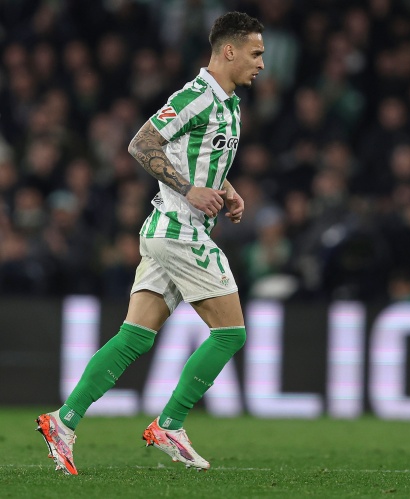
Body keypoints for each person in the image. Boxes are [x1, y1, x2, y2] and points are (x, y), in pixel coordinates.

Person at [35, 12, 265, 475]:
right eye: (256, 53)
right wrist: (190, 190)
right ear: (229, 50)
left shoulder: (230, 104)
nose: (261, 63)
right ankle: (170, 423)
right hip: (180, 232)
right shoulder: (194, 97)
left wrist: (227, 189)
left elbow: (197, 158)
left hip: (167, 230)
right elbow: (141, 144)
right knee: (231, 333)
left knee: (134, 336)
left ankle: (63, 420)